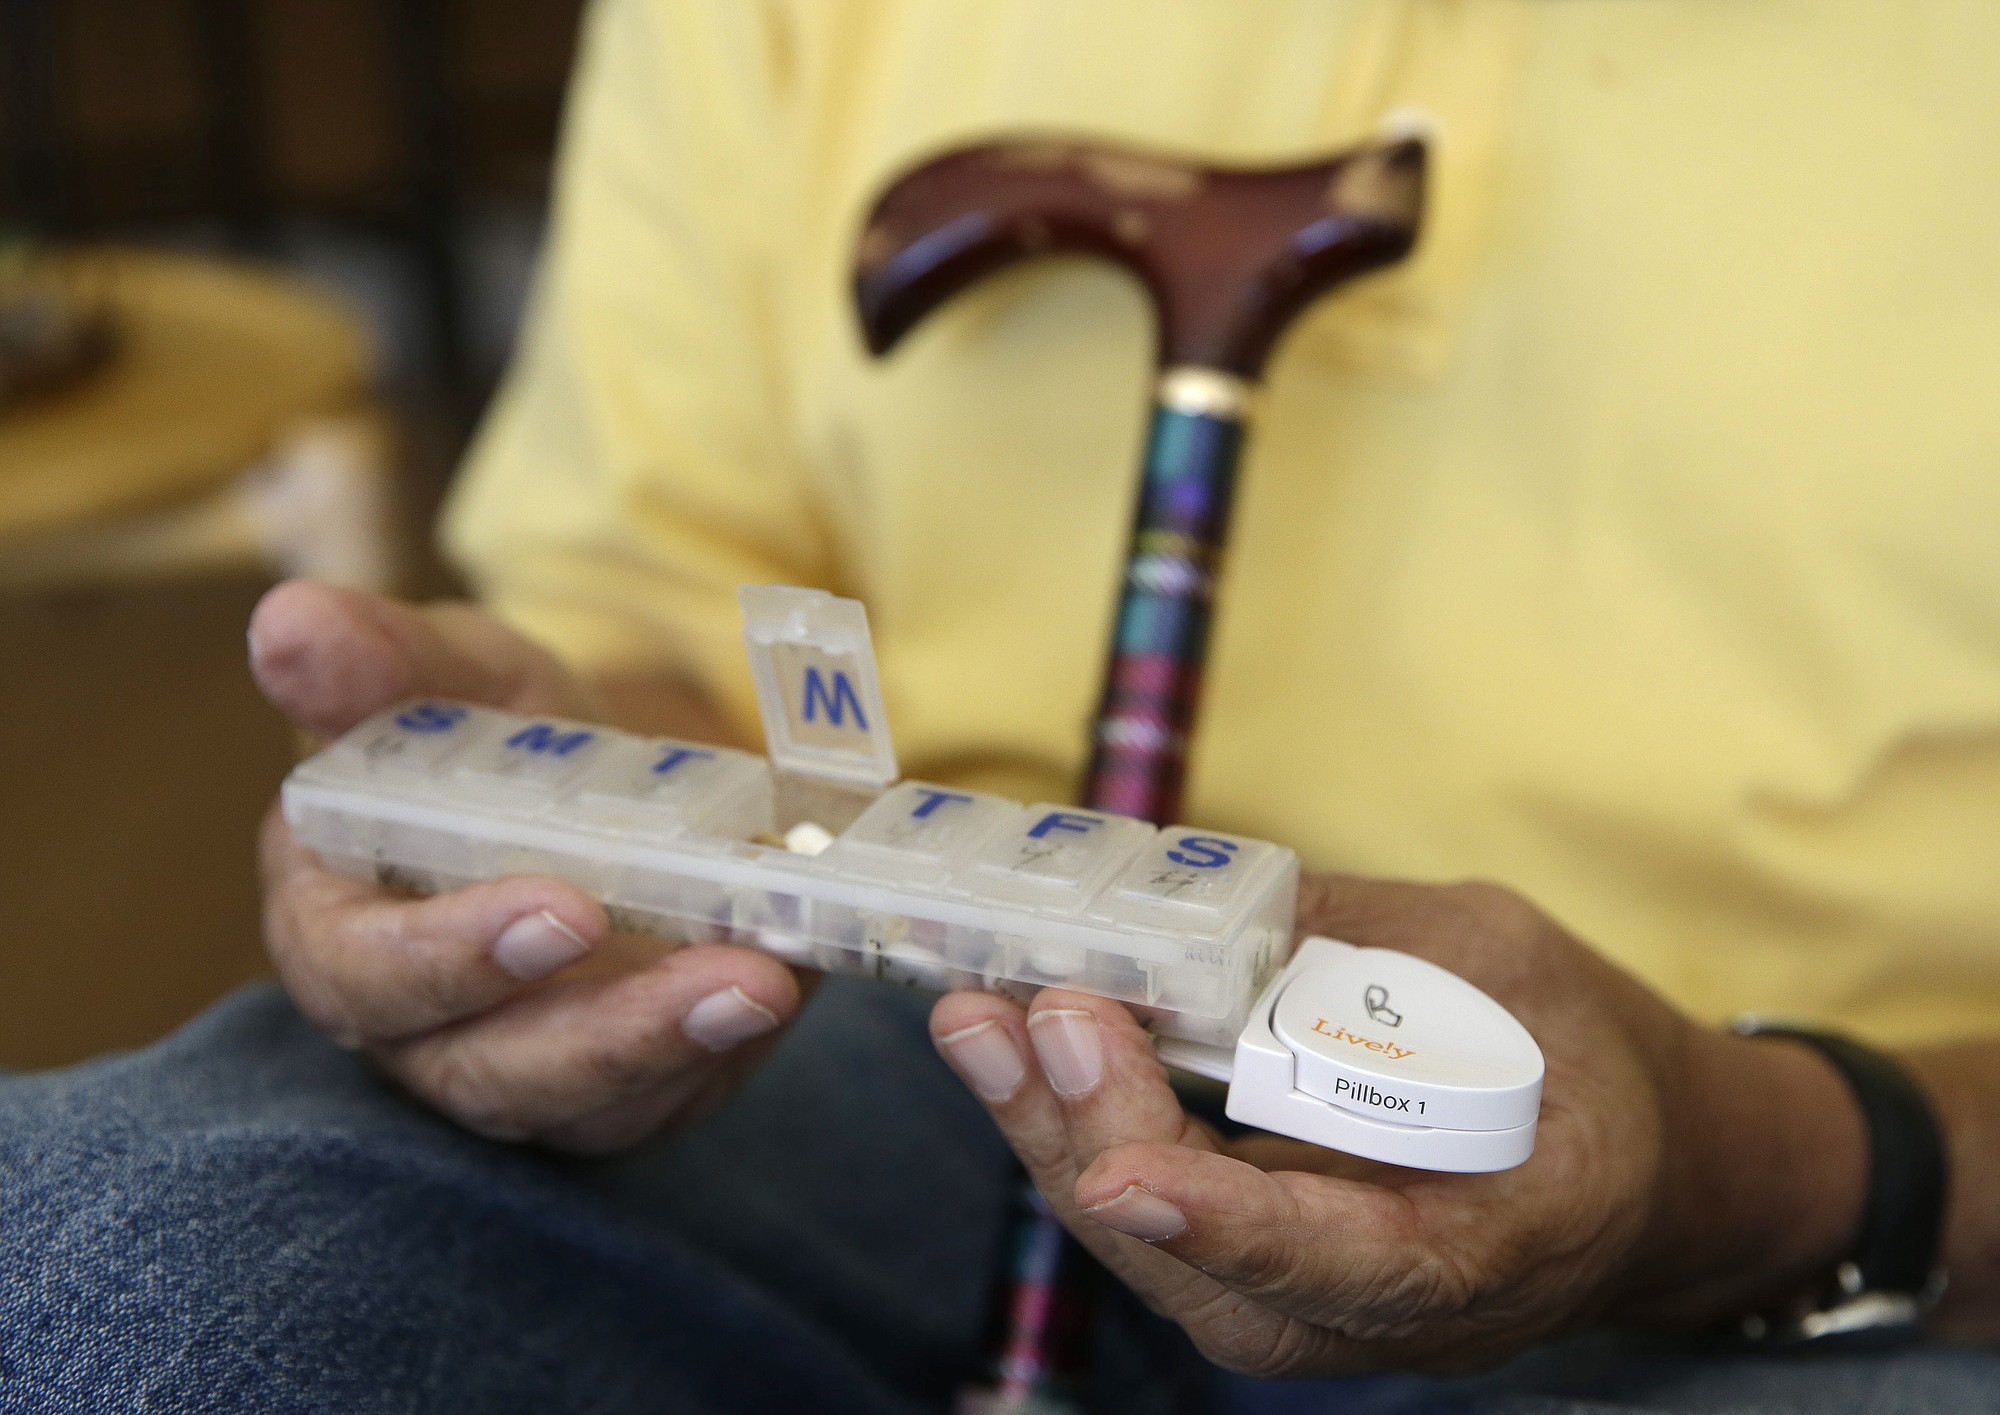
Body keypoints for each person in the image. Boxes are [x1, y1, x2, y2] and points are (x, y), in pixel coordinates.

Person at [4, 1, 1998, 1410]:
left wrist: (1761, 1163)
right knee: (78, 1273)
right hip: (904, 1039)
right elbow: (656, 618)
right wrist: (549, 844)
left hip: (1830, 1185)